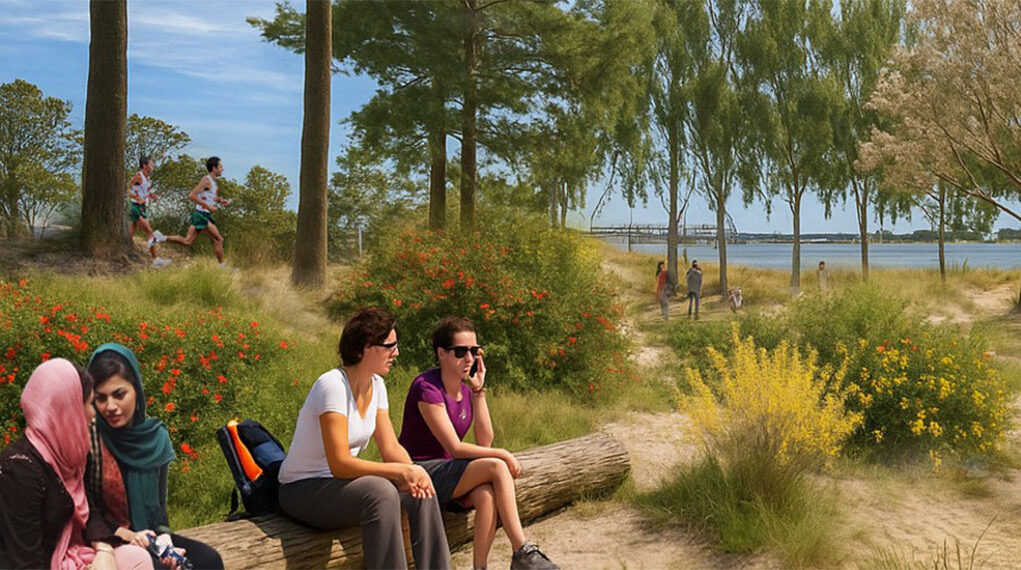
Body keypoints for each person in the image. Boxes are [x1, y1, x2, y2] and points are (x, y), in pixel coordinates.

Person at [278, 307, 451, 570]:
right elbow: (340, 464)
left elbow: (390, 447)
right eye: (390, 346)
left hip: (341, 487)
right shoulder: (332, 385)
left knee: (422, 490)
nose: (396, 353)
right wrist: (399, 471)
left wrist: (414, 472)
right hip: (302, 490)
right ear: (366, 347)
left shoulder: (377, 385)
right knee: (380, 492)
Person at [399, 317, 559, 570]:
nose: (469, 358)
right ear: (441, 353)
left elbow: (485, 440)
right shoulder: (427, 388)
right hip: (418, 472)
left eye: (474, 351)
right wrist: (503, 454)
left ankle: (480, 567)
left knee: (486, 495)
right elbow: (455, 448)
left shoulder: (464, 391)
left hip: (446, 473)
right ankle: (522, 550)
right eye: (460, 351)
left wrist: (478, 391)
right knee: (497, 466)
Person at [0, 358, 152, 570]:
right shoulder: (20, 469)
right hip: (42, 563)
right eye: (89, 403)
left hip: (74, 553)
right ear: (67, 409)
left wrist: (104, 550)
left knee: (137, 558)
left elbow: (90, 511)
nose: (93, 413)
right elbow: (25, 561)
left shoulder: (68, 453)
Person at [86, 344, 224, 570]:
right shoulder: (90, 438)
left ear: (136, 390)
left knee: (209, 560)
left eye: (119, 395)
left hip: (149, 537)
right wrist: (129, 536)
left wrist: (165, 539)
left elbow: (158, 509)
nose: (110, 407)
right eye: (101, 398)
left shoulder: (155, 438)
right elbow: (85, 511)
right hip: (106, 538)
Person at [164, 156, 230, 267]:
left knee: (187, 241)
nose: (222, 169)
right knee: (218, 239)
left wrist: (220, 200)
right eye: (220, 167)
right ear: (214, 168)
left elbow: (209, 197)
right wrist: (208, 207)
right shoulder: (206, 180)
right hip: (201, 215)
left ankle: (160, 237)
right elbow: (192, 195)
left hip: (203, 215)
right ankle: (222, 266)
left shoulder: (213, 182)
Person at [128, 156, 171, 268]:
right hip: (136, 207)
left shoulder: (147, 178)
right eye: (151, 164)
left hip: (142, 207)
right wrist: (137, 197)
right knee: (150, 233)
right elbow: (128, 189)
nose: (153, 167)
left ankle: (125, 246)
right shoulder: (138, 176)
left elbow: (143, 191)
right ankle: (156, 261)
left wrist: (151, 195)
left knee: (132, 230)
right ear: (144, 166)